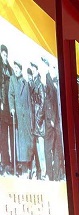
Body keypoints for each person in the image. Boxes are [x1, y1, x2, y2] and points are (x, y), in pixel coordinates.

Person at [8, 61, 33, 178]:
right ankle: (22, 168)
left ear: (21, 69)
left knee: (26, 143)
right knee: (19, 143)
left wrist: (30, 117)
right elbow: (10, 95)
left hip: (26, 117)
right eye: (15, 68)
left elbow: (29, 102)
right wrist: (12, 108)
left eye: (18, 68)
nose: (16, 70)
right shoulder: (12, 80)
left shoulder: (25, 83)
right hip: (17, 116)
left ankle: (27, 168)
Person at [0, 44, 13, 175]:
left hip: (9, 108)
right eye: (3, 54)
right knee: (3, 136)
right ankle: (4, 163)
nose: (5, 56)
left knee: (8, 135)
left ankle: (9, 163)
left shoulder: (9, 69)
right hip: (2, 106)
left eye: (6, 54)